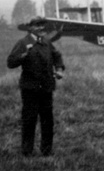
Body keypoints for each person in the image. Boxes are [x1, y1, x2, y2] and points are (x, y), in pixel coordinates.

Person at [8, 18, 65, 157]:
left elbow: (57, 55)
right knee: (29, 119)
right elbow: (10, 62)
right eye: (37, 26)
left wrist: (59, 69)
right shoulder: (23, 43)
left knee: (47, 120)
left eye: (42, 26)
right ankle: (27, 151)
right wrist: (22, 56)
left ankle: (46, 150)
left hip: (46, 87)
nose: (41, 28)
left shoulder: (46, 42)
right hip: (30, 88)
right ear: (30, 28)